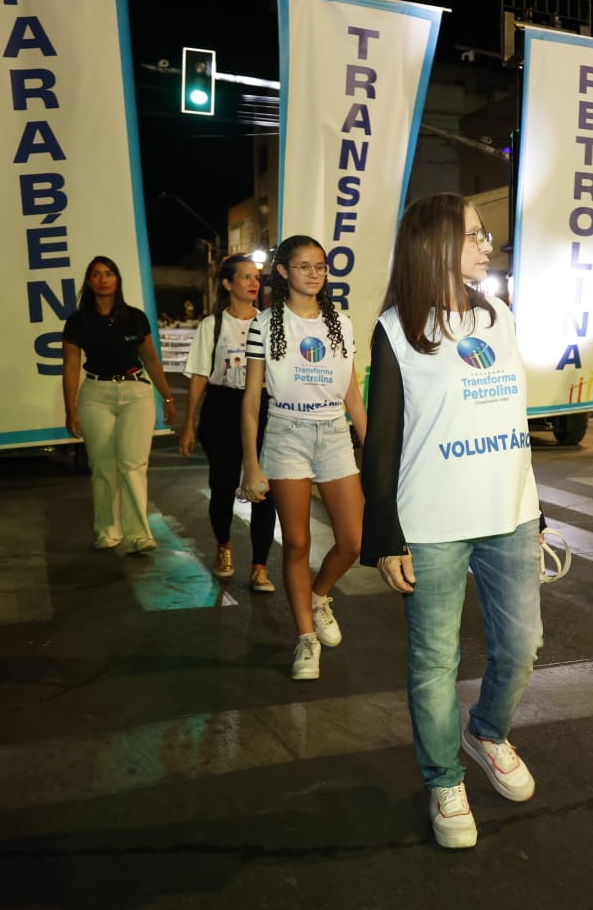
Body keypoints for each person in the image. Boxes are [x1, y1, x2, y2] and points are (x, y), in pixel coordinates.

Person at [361, 193, 544, 850]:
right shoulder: (395, 330)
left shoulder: (499, 314)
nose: (486, 243)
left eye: (484, 233)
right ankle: (444, 779)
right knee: (435, 662)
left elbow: (513, 417)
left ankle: (486, 733)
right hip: (432, 524)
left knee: (522, 646)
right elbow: (382, 442)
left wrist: (535, 508)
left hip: (509, 514)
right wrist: (385, 537)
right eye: (473, 234)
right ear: (433, 242)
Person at [240, 236, 366, 681]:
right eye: (304, 266)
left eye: (320, 266)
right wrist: (251, 464)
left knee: (353, 541)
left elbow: (352, 393)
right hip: (286, 434)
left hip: (334, 434)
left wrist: (372, 445)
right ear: (283, 271)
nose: (314, 274)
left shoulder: (342, 324)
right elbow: (251, 399)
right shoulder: (264, 324)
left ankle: (318, 595)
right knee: (296, 543)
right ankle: (306, 640)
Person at [61, 256, 176, 554]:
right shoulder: (77, 322)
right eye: (97, 274)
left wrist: (167, 396)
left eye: (109, 273)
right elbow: (70, 366)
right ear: (89, 282)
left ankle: (139, 536)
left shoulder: (134, 318)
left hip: (135, 392)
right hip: (95, 394)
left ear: (117, 279)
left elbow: (150, 358)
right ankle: (108, 532)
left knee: (132, 464)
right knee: (102, 466)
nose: (103, 279)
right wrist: (70, 409)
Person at [177, 254, 276, 594]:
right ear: (227, 283)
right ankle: (224, 546)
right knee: (222, 485)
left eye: (256, 277)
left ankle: (260, 567)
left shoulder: (270, 322)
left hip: (263, 406)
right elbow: (199, 376)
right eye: (245, 277)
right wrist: (188, 424)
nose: (253, 283)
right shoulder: (213, 325)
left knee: (265, 489)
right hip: (222, 407)